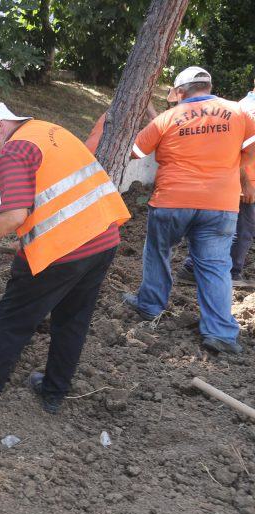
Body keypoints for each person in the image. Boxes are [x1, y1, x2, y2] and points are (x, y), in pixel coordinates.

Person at [0, 103, 131, 414]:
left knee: (13, 320)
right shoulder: (51, 130)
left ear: (0, 125)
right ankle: (53, 392)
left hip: (62, 252)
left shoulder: (14, 151)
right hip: (103, 239)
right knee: (72, 321)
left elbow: (13, 216)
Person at [122, 66, 255, 354]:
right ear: (208, 86)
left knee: (158, 252)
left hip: (172, 200)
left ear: (180, 92)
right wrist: (234, 162)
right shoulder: (238, 111)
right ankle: (220, 333)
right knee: (216, 266)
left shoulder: (168, 118)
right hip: (220, 204)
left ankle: (149, 305)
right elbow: (253, 148)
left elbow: (134, 152)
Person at [178, 73, 255, 284]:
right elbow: (234, 149)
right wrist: (245, 183)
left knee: (228, 231)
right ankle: (227, 273)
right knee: (237, 232)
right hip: (243, 183)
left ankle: (196, 269)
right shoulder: (247, 110)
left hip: (241, 181)